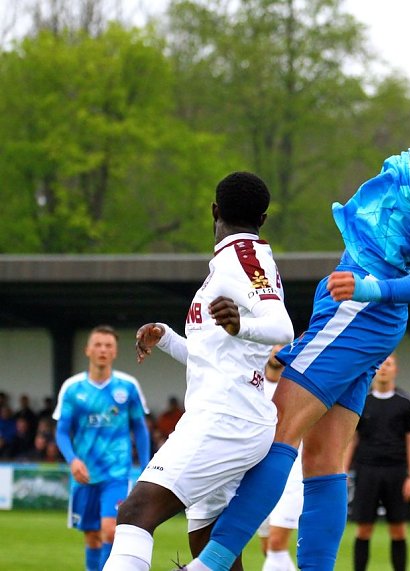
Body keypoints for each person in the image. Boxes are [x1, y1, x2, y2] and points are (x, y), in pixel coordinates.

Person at [182, 53, 410, 571]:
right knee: (323, 459)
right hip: (351, 300)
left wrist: (372, 289)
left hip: (361, 308)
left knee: (276, 424)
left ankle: (209, 564)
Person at [102, 171, 294, 571]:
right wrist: (168, 338)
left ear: (214, 210)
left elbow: (282, 328)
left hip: (227, 419)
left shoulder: (243, 258)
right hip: (228, 414)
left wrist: (241, 325)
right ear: (263, 217)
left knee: (135, 512)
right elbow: (218, 357)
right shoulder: (233, 263)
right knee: (209, 543)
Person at [53, 325, 152, 571]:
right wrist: (73, 460)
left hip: (117, 473)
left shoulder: (128, 386)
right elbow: (62, 431)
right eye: (98, 344)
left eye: (108, 345)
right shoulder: (73, 389)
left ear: (115, 352)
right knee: (92, 537)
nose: (103, 350)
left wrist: (146, 466)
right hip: (84, 474)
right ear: (88, 350)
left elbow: (139, 428)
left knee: (110, 531)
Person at [344, 353, 410, 571]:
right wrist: (343, 471)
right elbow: (352, 439)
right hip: (367, 470)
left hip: (396, 472)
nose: (385, 368)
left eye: (390, 364)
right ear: (375, 368)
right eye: (381, 364)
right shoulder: (362, 400)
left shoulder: (406, 403)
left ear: (396, 370)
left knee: (398, 529)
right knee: (363, 529)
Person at [257, 346, 303, 571]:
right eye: (273, 346)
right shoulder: (252, 385)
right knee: (267, 548)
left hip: (291, 472)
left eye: (283, 346)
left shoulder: (297, 387)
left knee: (276, 544)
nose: (277, 351)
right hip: (257, 473)